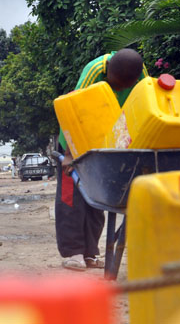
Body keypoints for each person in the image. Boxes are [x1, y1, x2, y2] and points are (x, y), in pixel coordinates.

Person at [56, 48, 148, 271]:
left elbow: (145, 109)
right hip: (75, 137)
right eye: (116, 85)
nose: (120, 90)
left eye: (125, 86)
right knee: (72, 197)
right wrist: (69, 154)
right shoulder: (95, 70)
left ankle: (90, 252)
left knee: (98, 197)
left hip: (108, 140)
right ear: (108, 73)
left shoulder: (143, 76)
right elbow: (73, 108)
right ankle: (73, 252)